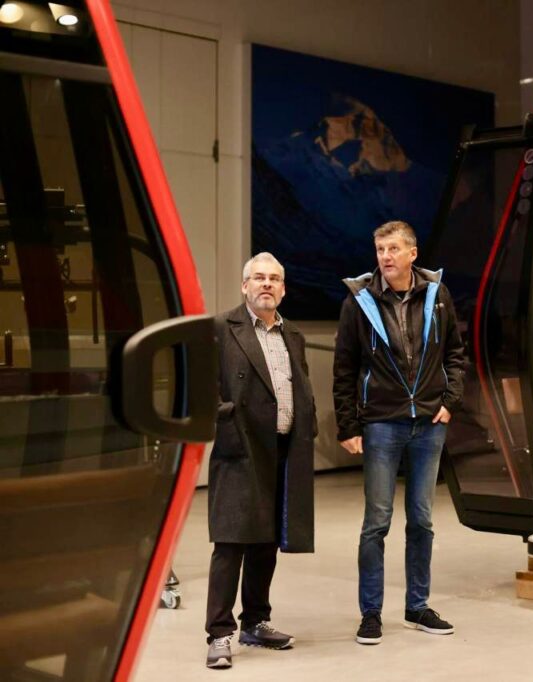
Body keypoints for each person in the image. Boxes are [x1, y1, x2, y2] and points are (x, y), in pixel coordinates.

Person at [333, 220, 465, 645]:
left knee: (422, 520)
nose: (385, 257)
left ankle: (417, 606)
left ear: (412, 253)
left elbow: (456, 353)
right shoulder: (358, 300)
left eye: (393, 249)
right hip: (381, 423)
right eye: (380, 250)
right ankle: (370, 613)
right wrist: (348, 425)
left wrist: (450, 401)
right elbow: (344, 369)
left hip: (429, 423)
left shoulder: (438, 295)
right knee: (377, 522)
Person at [205, 252, 317, 669]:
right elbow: (202, 384)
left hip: (283, 449)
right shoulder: (222, 328)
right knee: (231, 541)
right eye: (258, 278)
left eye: (274, 279)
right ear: (244, 285)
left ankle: (255, 621)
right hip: (240, 448)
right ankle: (219, 633)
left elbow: (300, 385)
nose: (266, 284)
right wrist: (224, 419)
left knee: (266, 541)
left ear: (283, 289)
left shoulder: (293, 335)